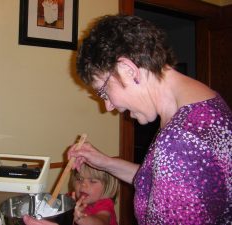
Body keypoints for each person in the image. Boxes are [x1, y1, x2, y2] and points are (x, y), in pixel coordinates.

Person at [24, 14, 232, 225]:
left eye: (103, 92)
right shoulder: (206, 102)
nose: (108, 106)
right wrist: (105, 163)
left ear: (128, 70)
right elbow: (162, 181)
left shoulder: (181, 141)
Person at [24, 163, 119, 225]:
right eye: (79, 179)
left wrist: (82, 219)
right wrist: (40, 198)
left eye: (92, 181)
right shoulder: (72, 198)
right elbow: (54, 205)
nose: (83, 184)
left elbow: (101, 221)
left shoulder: (105, 203)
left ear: (107, 185)